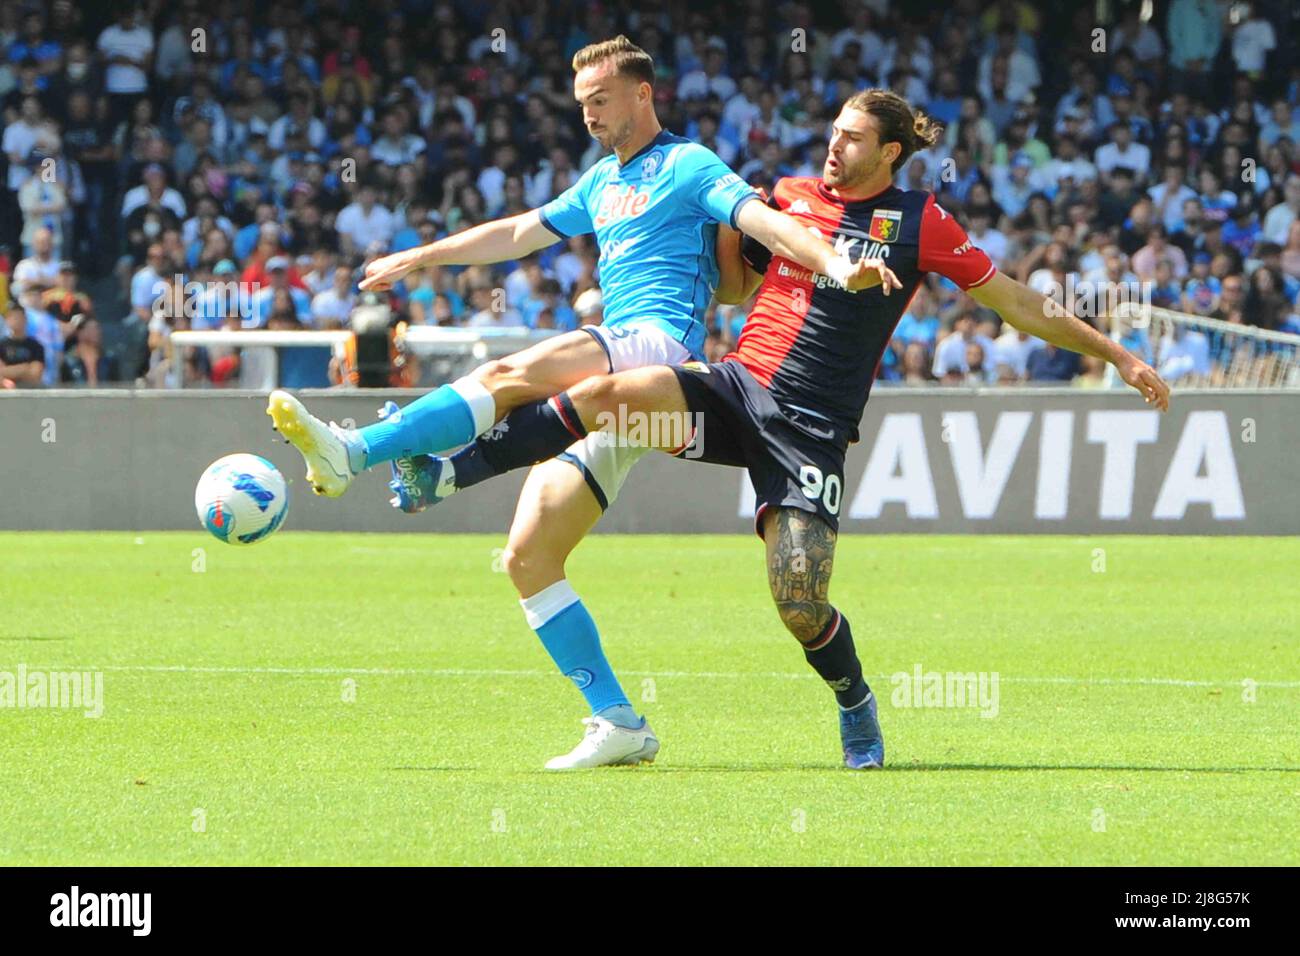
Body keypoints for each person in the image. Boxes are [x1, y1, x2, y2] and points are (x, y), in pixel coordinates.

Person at [389, 90, 1171, 770]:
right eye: (832, 131)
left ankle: (854, 698)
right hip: (735, 388)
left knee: (798, 599)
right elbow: (731, 283)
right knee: (607, 393)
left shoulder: (921, 221)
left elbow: (1020, 303)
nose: (834, 145)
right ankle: (447, 472)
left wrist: (1120, 356)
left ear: (890, 152)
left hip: (810, 427)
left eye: (852, 137)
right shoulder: (789, 196)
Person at [268, 36, 898, 770]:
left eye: (601, 99)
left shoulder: (689, 164)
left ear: (642, 94)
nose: (590, 114)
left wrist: (832, 261)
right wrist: (423, 255)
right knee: (528, 558)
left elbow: (760, 222)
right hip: (618, 377)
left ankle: (359, 453)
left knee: (512, 371)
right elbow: (518, 231)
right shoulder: (600, 182)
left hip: (658, 350)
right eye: (581, 103)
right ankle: (619, 722)